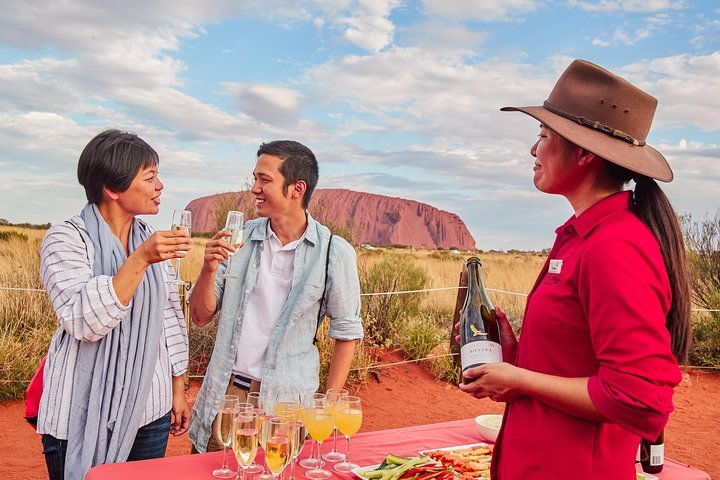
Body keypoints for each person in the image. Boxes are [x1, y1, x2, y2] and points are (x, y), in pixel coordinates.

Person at [459, 60, 692, 479]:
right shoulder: (584, 235)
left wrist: (521, 379)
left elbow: (639, 399)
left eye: (543, 136)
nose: (533, 150)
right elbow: (578, 364)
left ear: (584, 153)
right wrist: (516, 360)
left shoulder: (615, 246)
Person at [188, 140, 363, 453]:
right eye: (254, 178)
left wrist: (329, 402)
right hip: (228, 398)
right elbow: (200, 316)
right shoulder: (238, 241)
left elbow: (346, 332)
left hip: (287, 408)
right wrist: (208, 268)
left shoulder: (333, 252)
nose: (254, 188)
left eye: (264, 180)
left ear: (296, 189)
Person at [37, 129, 192, 480]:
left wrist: (178, 389)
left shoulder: (149, 241)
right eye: (150, 177)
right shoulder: (65, 239)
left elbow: (170, 319)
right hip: (78, 412)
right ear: (113, 188)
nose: (160, 186)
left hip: (148, 408)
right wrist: (139, 260)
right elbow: (83, 322)